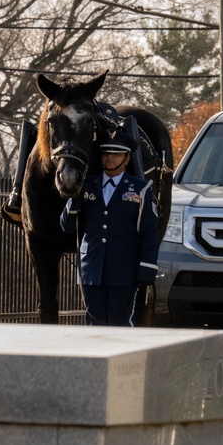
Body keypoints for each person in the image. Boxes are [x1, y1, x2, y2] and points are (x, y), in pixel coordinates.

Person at [60, 131, 159, 326]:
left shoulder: (141, 189)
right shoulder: (87, 185)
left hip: (124, 270)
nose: (110, 157)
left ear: (127, 157)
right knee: (93, 323)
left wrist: (147, 267)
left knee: (120, 323)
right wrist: (74, 195)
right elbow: (67, 226)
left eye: (117, 153)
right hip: (92, 268)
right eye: (106, 153)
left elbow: (149, 233)